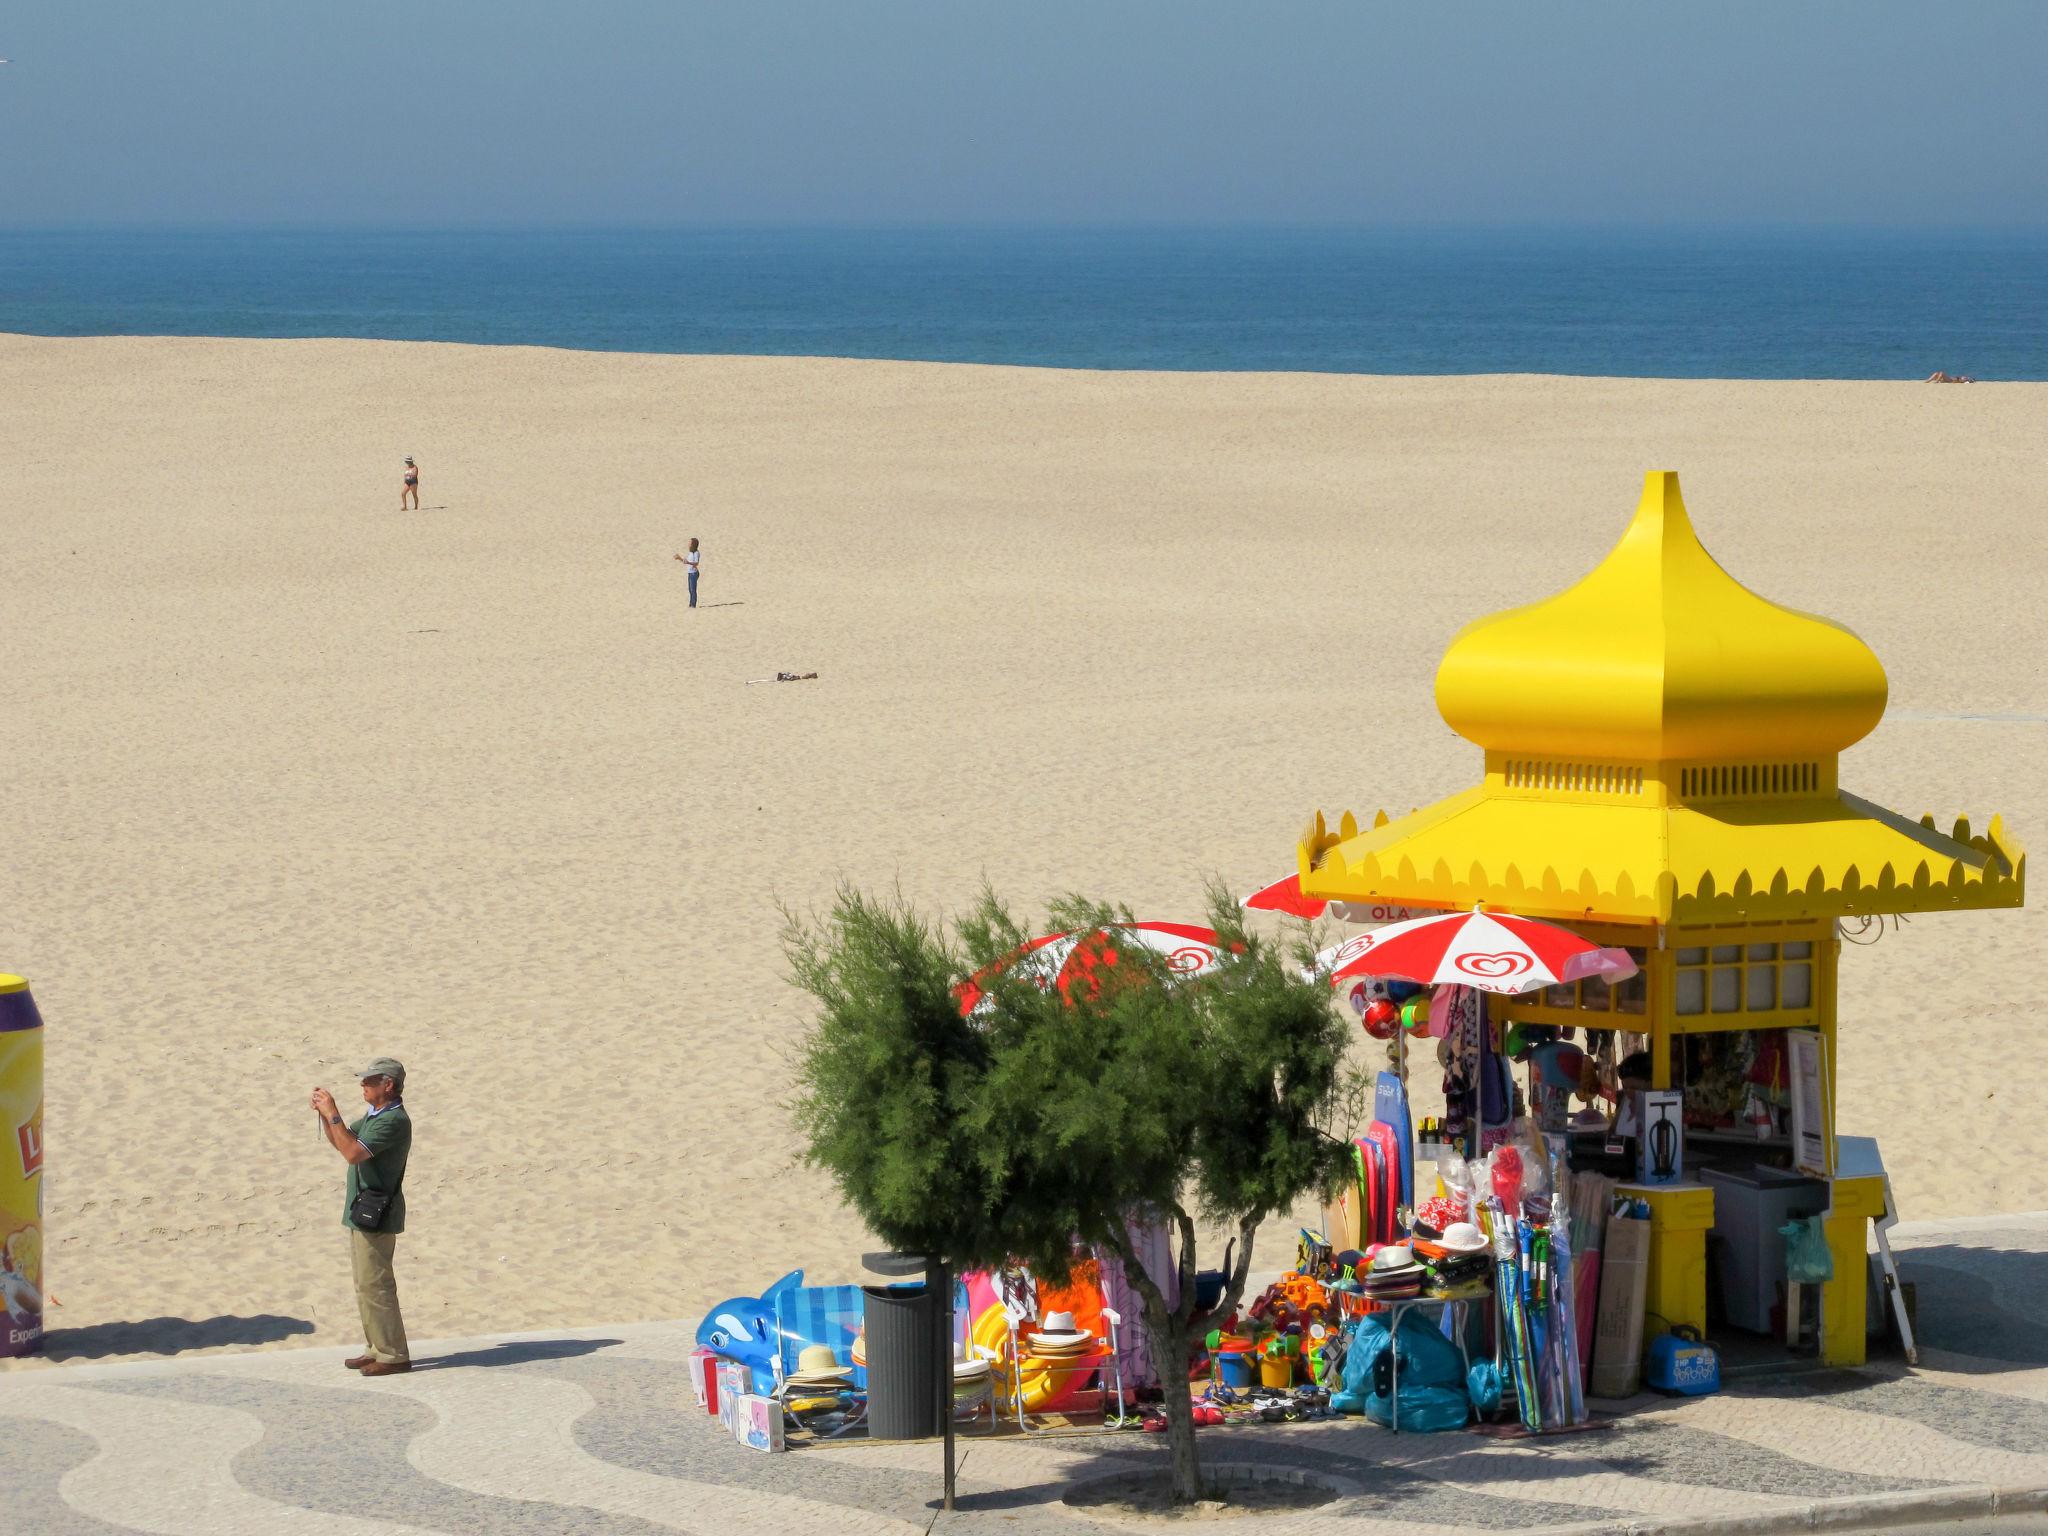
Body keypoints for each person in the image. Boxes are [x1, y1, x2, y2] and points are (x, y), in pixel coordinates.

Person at [311, 1057, 414, 1375]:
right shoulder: (375, 1115)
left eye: (370, 1081)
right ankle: (377, 1348)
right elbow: (344, 1143)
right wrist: (328, 1119)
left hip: (378, 1212)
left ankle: (393, 1355)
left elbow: (353, 1154)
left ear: (388, 1085)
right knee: (365, 1285)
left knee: (378, 1285)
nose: (363, 1085)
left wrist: (334, 1114)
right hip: (362, 1210)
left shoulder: (393, 1121)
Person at [673, 538, 701, 608]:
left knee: (692, 589)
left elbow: (696, 563)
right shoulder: (691, 553)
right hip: (690, 573)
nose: (688, 544)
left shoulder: (696, 553)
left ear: (693, 545)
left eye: (690, 543)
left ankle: (693, 605)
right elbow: (686, 562)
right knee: (690, 589)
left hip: (694, 573)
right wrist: (679, 558)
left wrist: (688, 562)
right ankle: (691, 604)